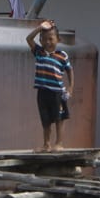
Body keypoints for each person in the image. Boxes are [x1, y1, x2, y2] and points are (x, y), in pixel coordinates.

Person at [25, 19, 73, 150]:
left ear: (58, 39)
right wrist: (40, 28)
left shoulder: (62, 55)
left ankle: (59, 143)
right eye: (44, 39)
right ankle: (46, 143)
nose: (48, 42)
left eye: (51, 39)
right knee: (45, 120)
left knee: (59, 118)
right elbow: (28, 39)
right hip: (42, 92)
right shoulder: (39, 52)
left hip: (58, 92)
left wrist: (70, 89)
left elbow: (70, 71)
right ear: (41, 41)